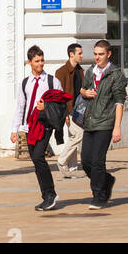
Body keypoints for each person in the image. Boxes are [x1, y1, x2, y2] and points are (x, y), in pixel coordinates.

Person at [10, 46, 60, 211]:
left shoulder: (52, 82)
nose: (41, 64)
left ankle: (50, 194)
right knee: (36, 160)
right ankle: (46, 196)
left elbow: (60, 104)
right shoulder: (25, 83)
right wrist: (14, 129)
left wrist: (45, 107)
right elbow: (20, 106)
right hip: (28, 126)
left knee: (38, 156)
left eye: (42, 60)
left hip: (45, 125)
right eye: (37, 61)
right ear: (29, 62)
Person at [79, 40, 126, 210]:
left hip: (106, 122)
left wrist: (117, 127)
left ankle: (99, 195)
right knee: (85, 161)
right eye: (95, 54)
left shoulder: (116, 74)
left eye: (101, 54)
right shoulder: (91, 71)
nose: (97, 57)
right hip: (90, 121)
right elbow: (82, 90)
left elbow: (120, 102)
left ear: (109, 54)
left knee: (98, 161)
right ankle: (106, 180)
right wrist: (86, 92)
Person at [53, 43, 85, 178]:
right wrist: (64, 113)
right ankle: (61, 160)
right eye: (79, 53)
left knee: (74, 137)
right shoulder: (61, 72)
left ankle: (71, 169)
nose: (82, 56)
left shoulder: (80, 70)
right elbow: (58, 95)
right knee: (79, 135)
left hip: (80, 110)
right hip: (69, 110)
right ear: (71, 54)